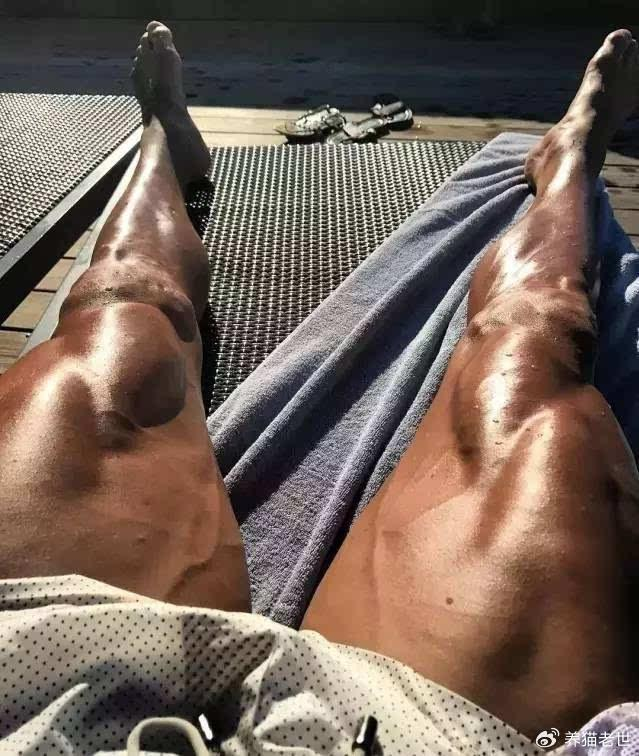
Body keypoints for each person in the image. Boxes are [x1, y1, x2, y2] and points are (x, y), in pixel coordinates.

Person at [1, 21, 638, 753]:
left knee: (116, 308)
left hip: (32, 687)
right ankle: (567, 164)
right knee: (535, 359)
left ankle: (564, 162)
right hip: (436, 738)